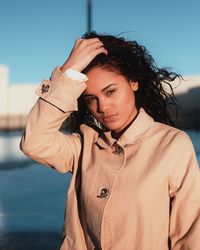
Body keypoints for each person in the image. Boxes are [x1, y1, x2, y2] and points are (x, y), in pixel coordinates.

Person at [20, 32, 200, 250]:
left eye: (110, 91)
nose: (102, 107)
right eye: (91, 99)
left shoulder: (173, 144)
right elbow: (34, 142)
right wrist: (69, 72)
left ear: (133, 82)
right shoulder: (84, 145)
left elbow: (190, 235)